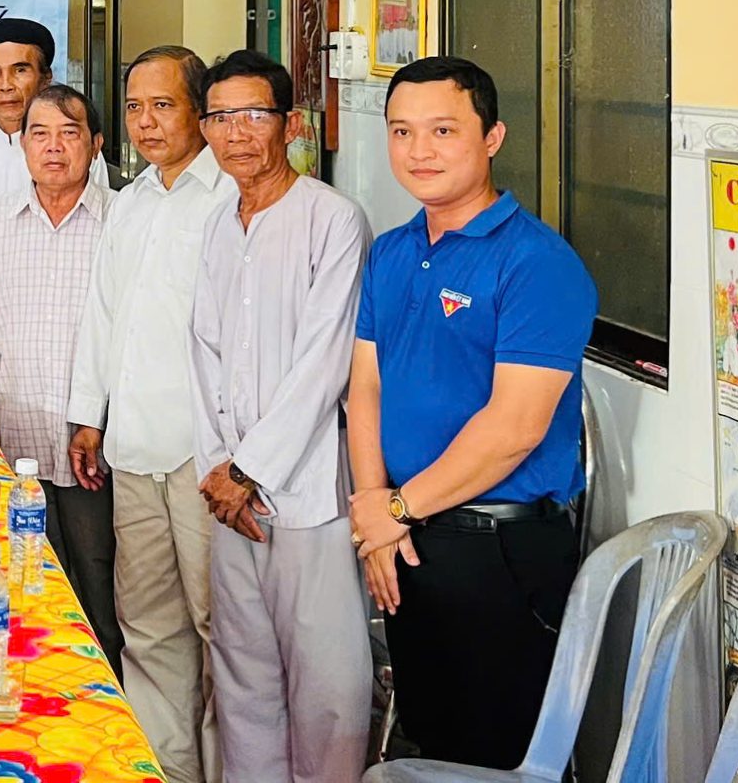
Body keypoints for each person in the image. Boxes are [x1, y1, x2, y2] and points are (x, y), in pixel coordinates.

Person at [348, 56, 596, 769]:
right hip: (409, 536)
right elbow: (365, 387)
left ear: (492, 138)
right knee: (432, 742)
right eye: (401, 132)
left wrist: (391, 511)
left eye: (443, 130)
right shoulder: (391, 254)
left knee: (500, 756)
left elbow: (512, 430)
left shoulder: (536, 263)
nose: (418, 150)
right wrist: (377, 512)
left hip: (500, 548)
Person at [187, 49, 371, 783]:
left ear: (289, 124)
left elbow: (324, 367)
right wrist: (217, 469)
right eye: (220, 118)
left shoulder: (332, 220)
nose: (236, 133)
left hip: (304, 494)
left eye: (254, 115)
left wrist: (249, 468)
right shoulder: (216, 224)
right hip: (228, 496)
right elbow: (202, 353)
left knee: (328, 684)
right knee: (243, 675)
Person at [65, 45, 232, 783]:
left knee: (220, 628)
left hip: (206, 457)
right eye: (134, 107)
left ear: (202, 109)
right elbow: (102, 319)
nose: (146, 121)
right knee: (149, 629)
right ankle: (164, 770)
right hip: (132, 449)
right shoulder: (129, 204)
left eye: (163, 104)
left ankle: (231, 768)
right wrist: (88, 417)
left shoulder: (232, 198)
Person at [0, 83, 124, 670]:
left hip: (98, 446)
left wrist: (105, 419)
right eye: (39, 133)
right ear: (22, 145)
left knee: (103, 594)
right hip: (18, 441)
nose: (53, 148)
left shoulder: (122, 221)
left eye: (69, 133)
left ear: (97, 144)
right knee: (29, 590)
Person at [0, 17, 107, 373]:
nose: (5, 85)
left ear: (45, 78)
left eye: (20, 70)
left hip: (73, 354)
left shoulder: (77, 151)